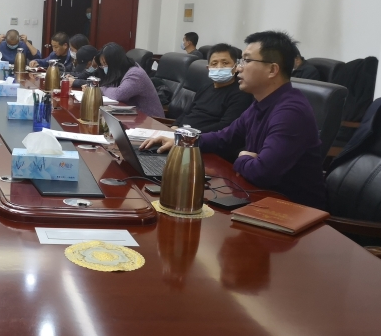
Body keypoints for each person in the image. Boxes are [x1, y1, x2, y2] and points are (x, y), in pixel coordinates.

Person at [141, 31, 326, 209]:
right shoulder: (261, 103)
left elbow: (262, 173)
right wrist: (181, 141)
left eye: (246, 60)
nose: (238, 68)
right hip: (257, 197)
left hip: (291, 211)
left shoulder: (291, 112)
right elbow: (224, 137)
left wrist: (241, 158)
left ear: (272, 69)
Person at [172, 43, 253, 133]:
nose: (219, 67)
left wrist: (190, 134)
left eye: (225, 63)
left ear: (235, 67)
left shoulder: (241, 93)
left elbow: (226, 126)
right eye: (214, 64)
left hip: (202, 138)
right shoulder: (205, 87)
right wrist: (175, 125)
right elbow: (187, 112)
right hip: (180, 134)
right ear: (208, 68)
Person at [93, 43, 163, 116]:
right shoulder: (120, 72)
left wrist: (101, 89)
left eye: (105, 64)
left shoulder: (135, 74)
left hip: (151, 119)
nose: (104, 67)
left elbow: (118, 94)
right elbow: (110, 86)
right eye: (102, 65)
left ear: (114, 62)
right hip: (133, 115)